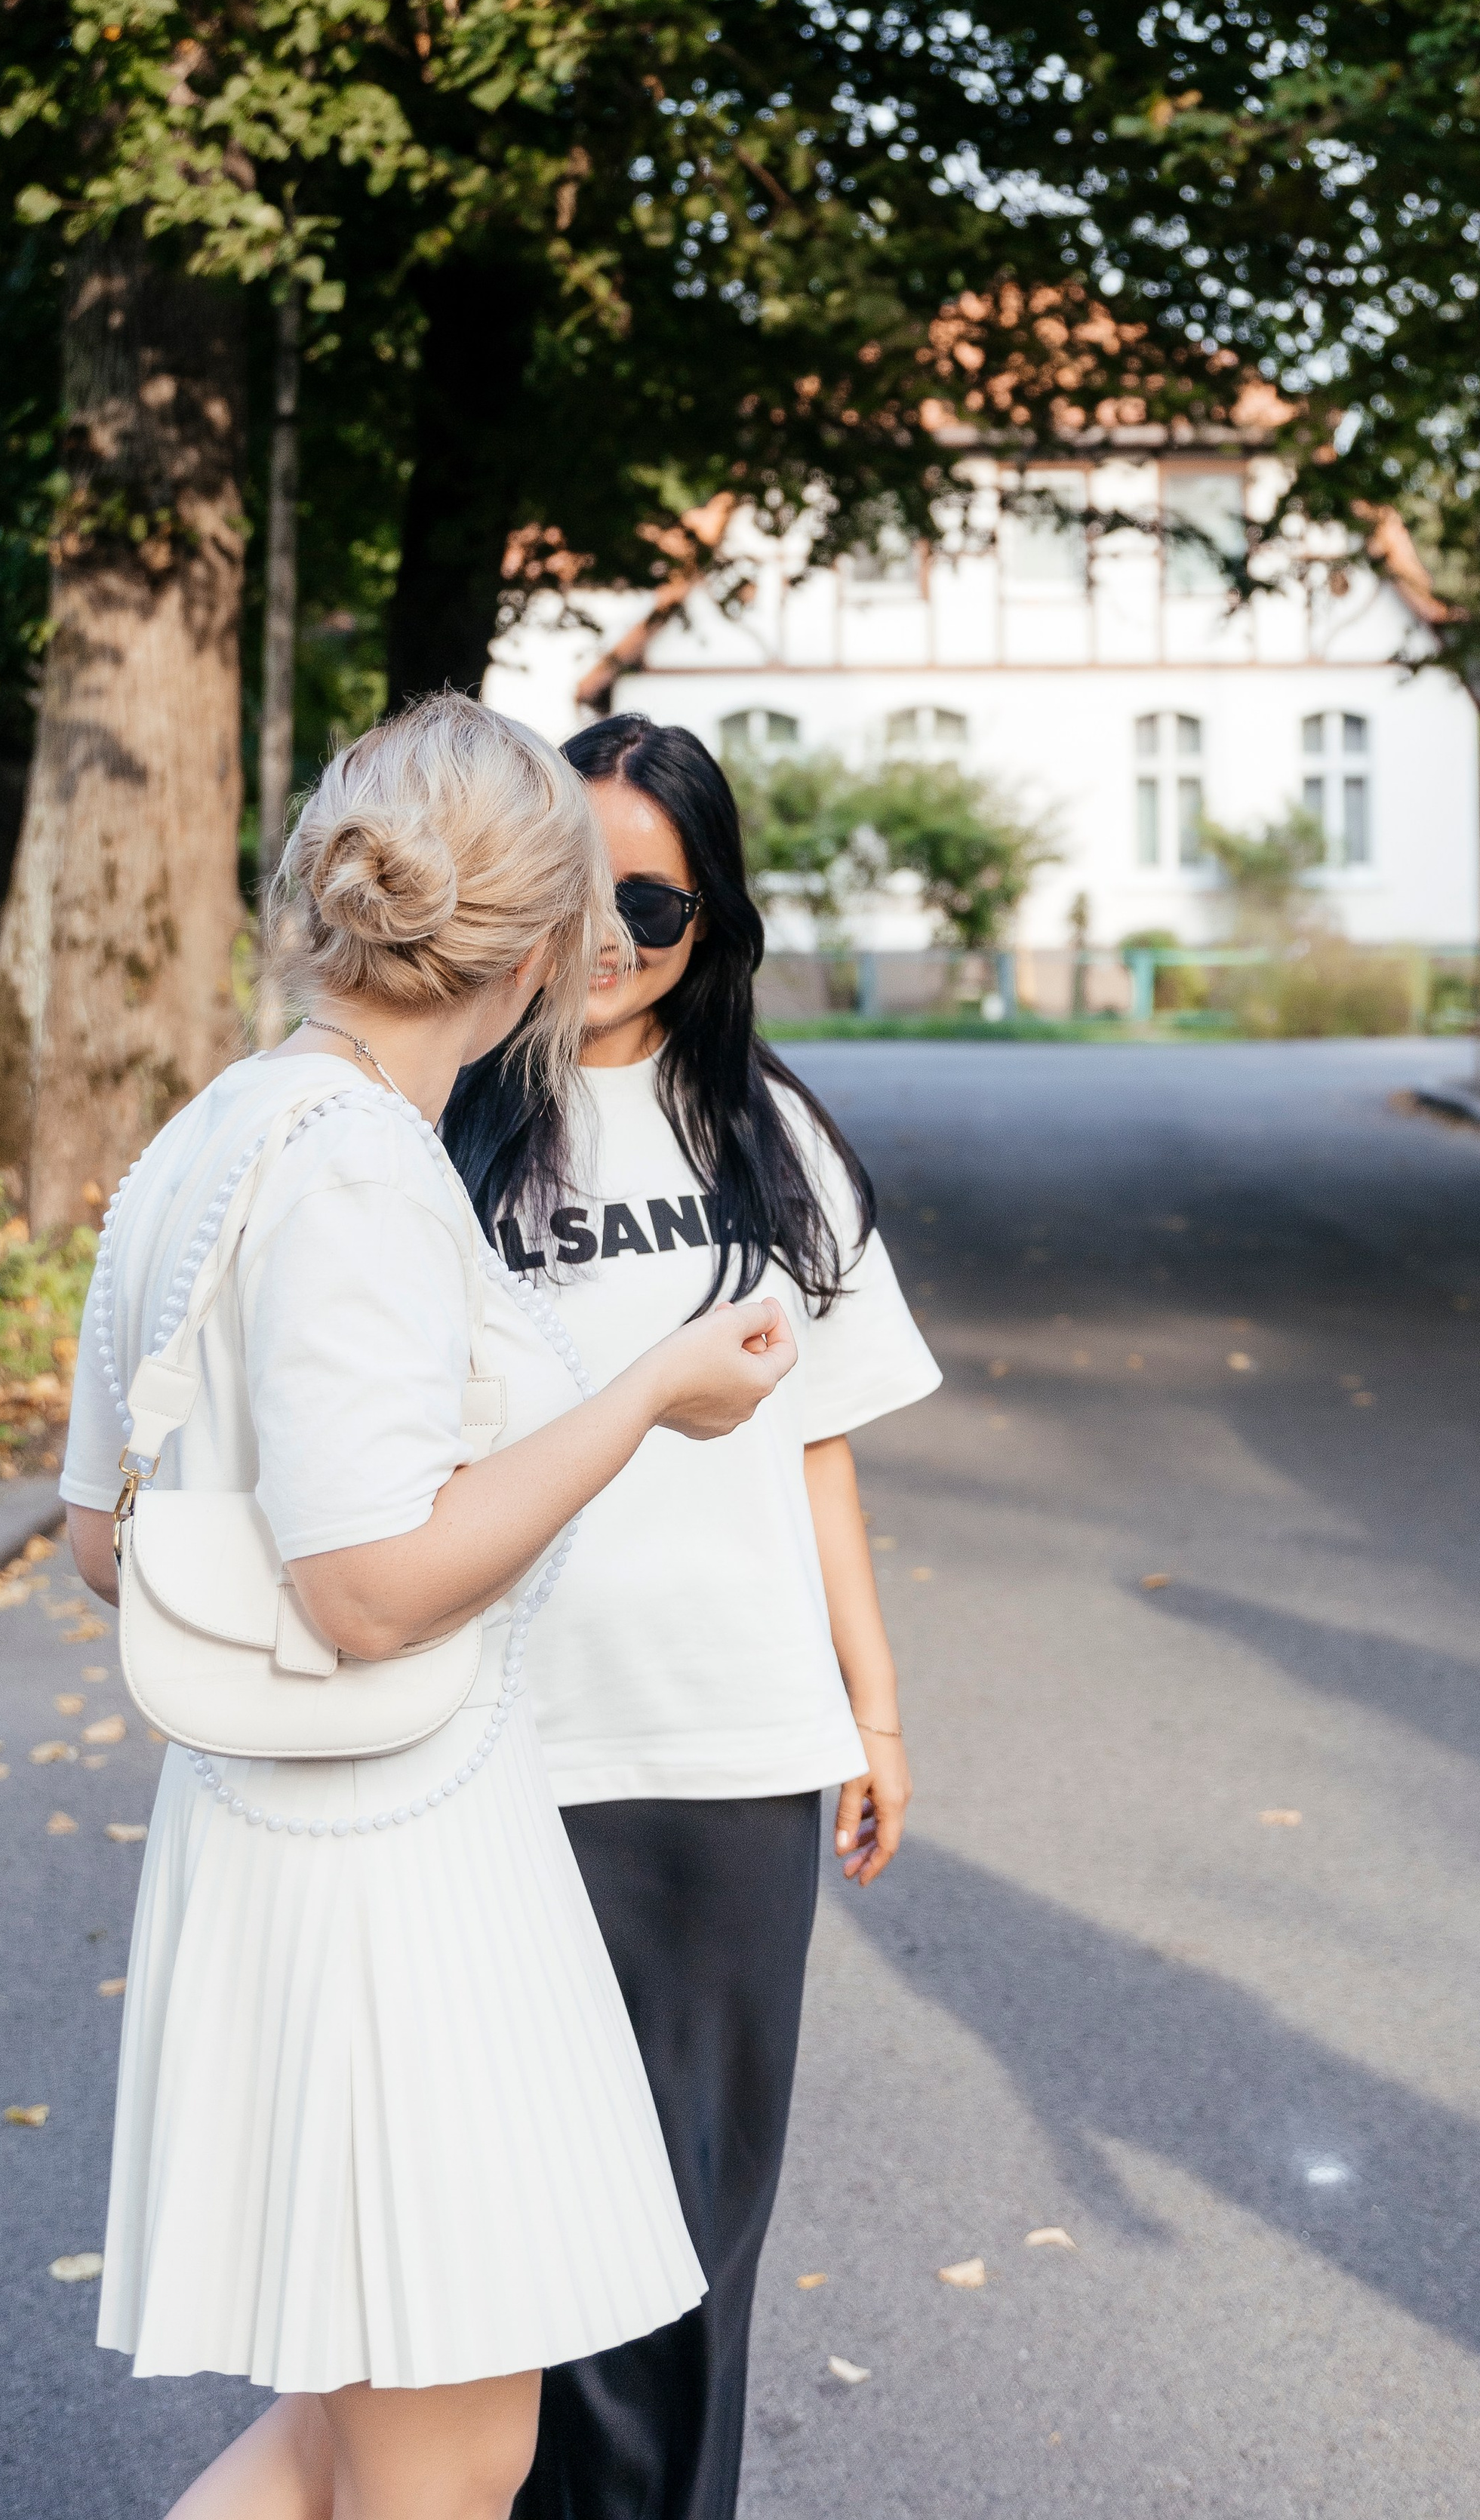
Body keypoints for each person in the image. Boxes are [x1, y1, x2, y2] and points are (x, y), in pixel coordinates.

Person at [60, 694, 801, 2520]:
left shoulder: (205, 1141)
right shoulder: (363, 1171)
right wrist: (640, 1398)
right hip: (396, 1879)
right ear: (543, 941)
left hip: (274, 1851)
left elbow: (102, 1534)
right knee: (446, 2458)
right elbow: (371, 1584)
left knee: (349, 2439)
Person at [444, 712, 940, 2520]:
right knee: (506, 2238)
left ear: (710, 921)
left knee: (688, 2241)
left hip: (727, 1748)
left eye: (647, 899)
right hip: (490, 1744)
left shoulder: (765, 1128)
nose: (600, 935)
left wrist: (869, 1715)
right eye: (568, 885)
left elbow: (814, 1450)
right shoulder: (431, 1122)